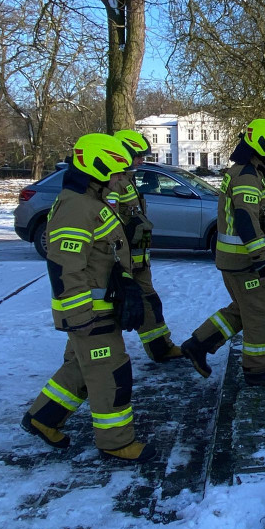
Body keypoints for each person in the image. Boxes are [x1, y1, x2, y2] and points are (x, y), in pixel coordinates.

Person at [21, 133, 154, 463]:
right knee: (111, 374)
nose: (122, 180)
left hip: (100, 308)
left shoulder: (90, 200)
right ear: (99, 169)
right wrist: (81, 317)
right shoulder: (77, 207)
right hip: (90, 313)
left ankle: (43, 418)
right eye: (118, 173)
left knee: (82, 368)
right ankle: (116, 442)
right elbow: (65, 267)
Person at [180, 119, 265, 386]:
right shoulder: (247, 175)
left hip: (234, 259)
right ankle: (258, 369)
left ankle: (198, 345)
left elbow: (250, 214)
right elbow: (246, 220)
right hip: (244, 261)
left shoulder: (245, 171)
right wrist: (262, 261)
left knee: (243, 309)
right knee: (263, 311)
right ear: (261, 148)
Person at [108, 129, 183, 363]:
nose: (142, 161)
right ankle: (79, 359)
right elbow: (108, 224)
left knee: (149, 302)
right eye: (138, 156)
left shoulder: (128, 179)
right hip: (122, 261)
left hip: (138, 260)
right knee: (112, 309)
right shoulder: (113, 183)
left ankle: (161, 348)